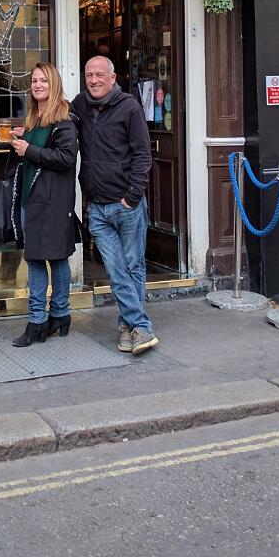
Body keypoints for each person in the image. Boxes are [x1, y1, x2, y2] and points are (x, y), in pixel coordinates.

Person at [70, 55, 156, 355]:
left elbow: (143, 155)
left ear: (112, 77)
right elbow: (56, 120)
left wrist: (131, 197)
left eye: (99, 75)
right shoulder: (80, 105)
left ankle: (129, 326)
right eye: (88, 75)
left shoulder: (129, 107)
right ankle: (140, 325)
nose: (93, 80)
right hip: (97, 206)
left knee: (133, 267)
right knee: (116, 270)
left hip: (126, 205)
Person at [7, 61, 79, 347]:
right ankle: (58, 316)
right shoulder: (34, 118)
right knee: (38, 256)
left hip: (52, 202)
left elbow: (66, 159)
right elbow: (36, 151)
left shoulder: (64, 119)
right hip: (31, 198)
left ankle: (40, 321)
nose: (37, 85)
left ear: (54, 84)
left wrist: (29, 149)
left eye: (44, 81)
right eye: (34, 81)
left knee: (51, 258)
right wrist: (21, 138)